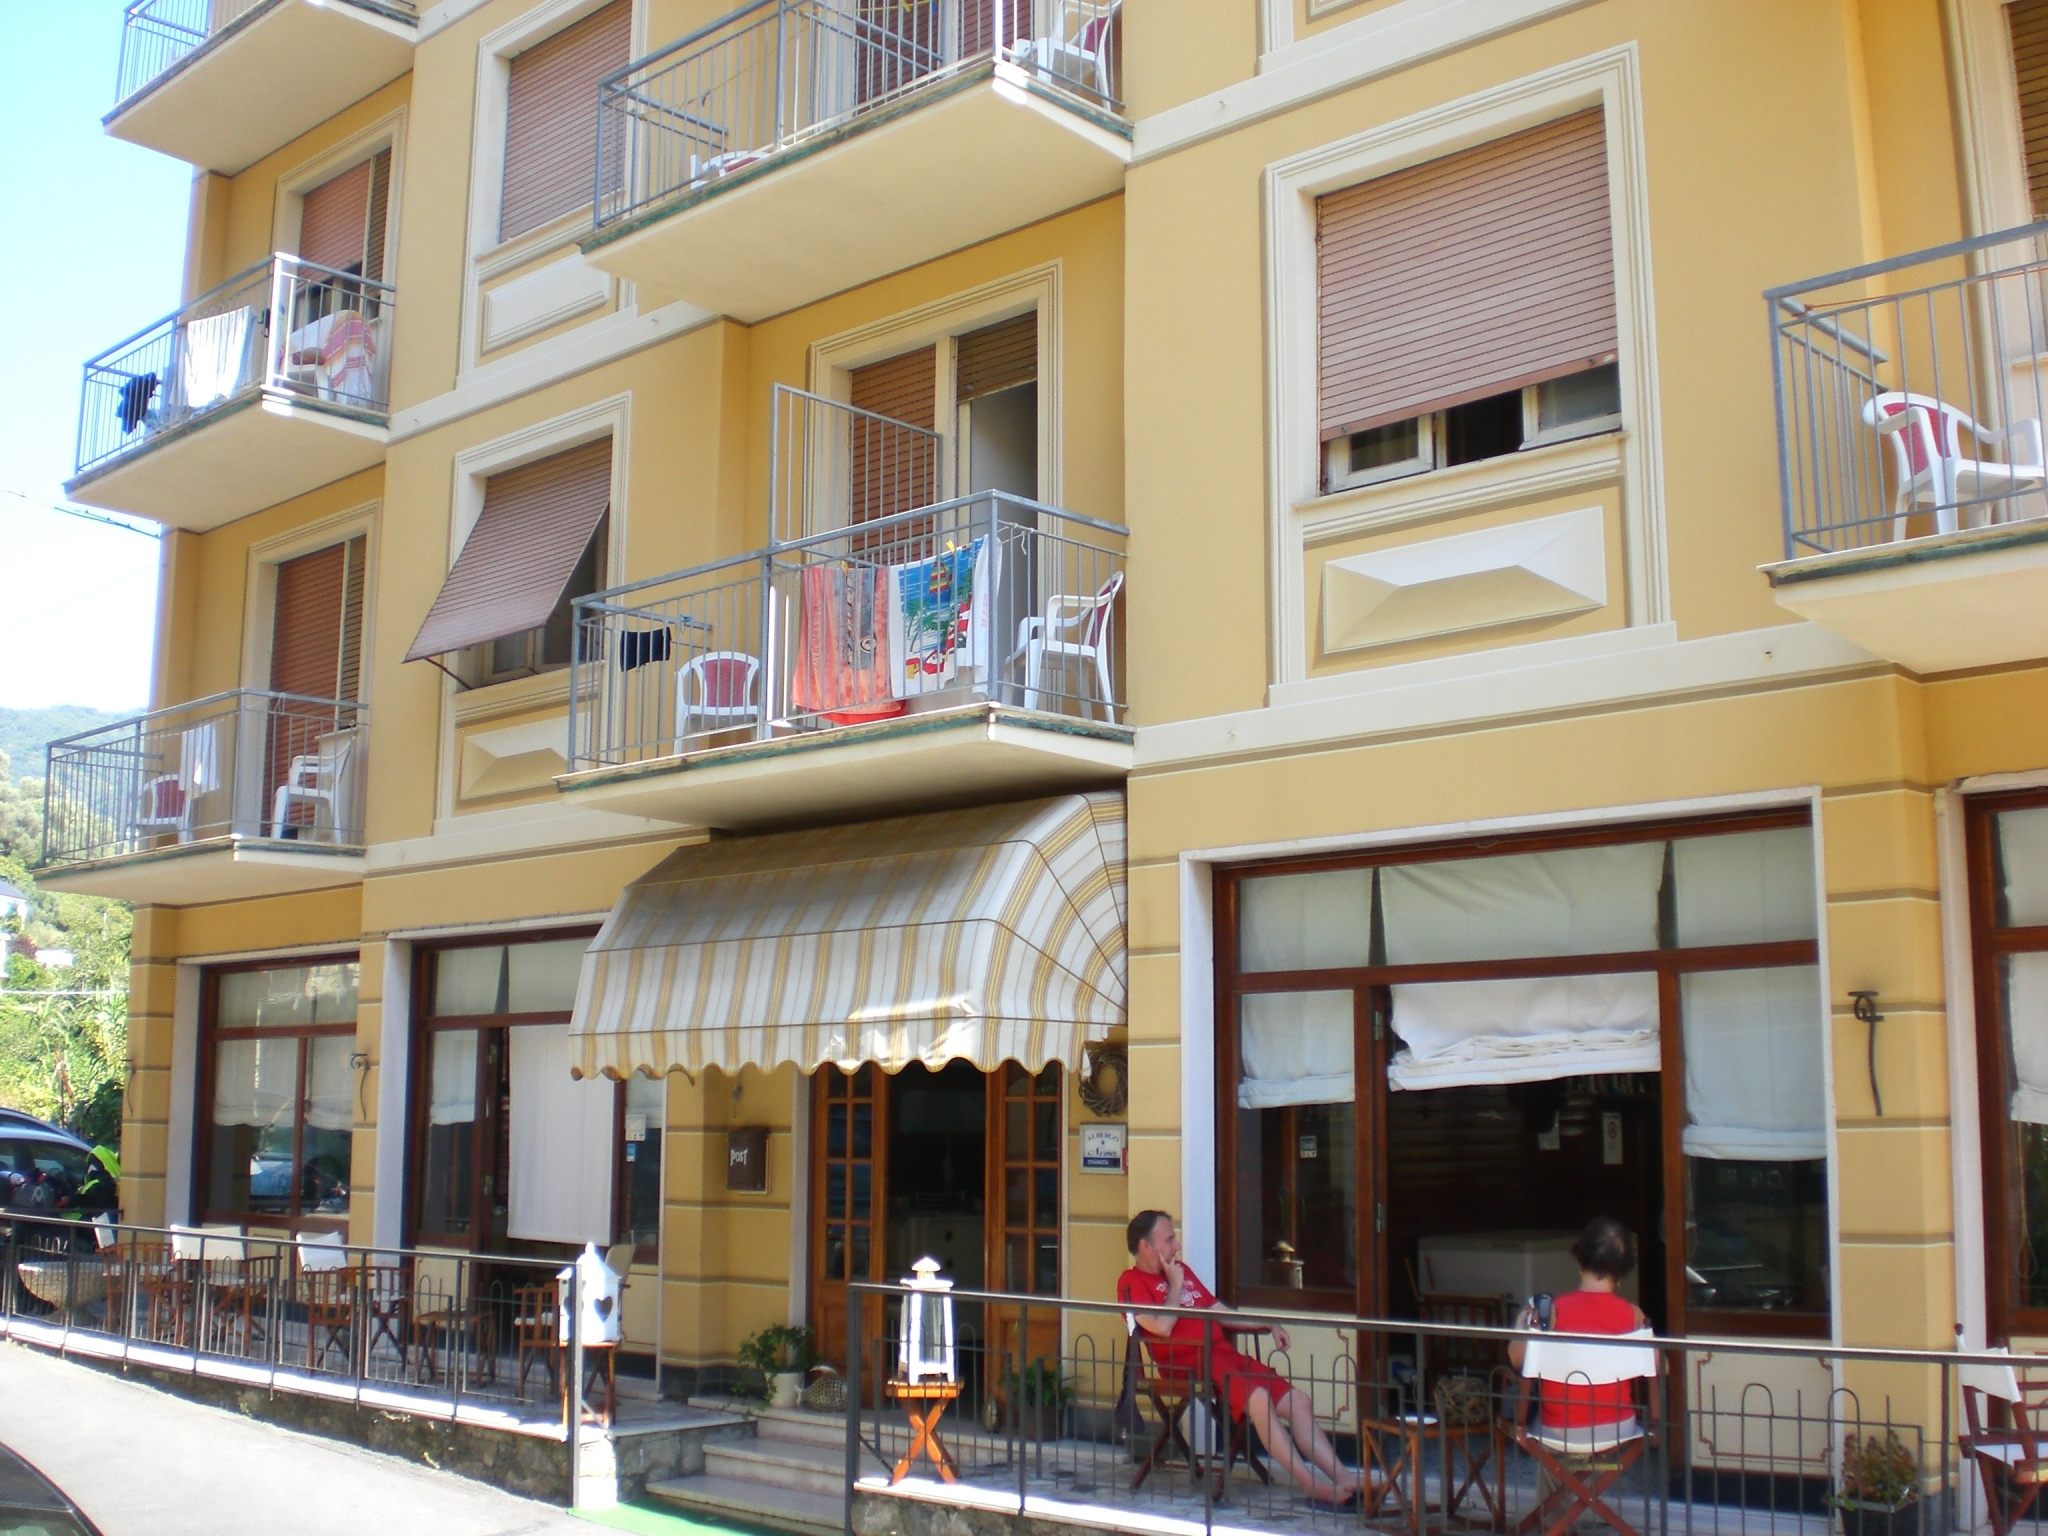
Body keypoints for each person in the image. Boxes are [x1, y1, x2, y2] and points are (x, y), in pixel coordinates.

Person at [1117, 1209, 1362, 1507]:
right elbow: (1162, 1327)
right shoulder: (1131, 1281)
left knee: (1298, 1402)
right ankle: (1310, 1484)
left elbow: (1218, 1311)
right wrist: (1176, 1286)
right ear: (1145, 1246)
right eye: (1169, 1240)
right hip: (1189, 1364)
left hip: (1223, 1356)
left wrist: (1265, 1323)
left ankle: (1345, 1478)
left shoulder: (1180, 1270)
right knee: (1259, 1400)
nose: (1176, 1245)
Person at [1508, 1218, 1659, 1474]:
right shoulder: (1634, 1317)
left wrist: (1521, 1326)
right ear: (1623, 1270)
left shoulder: (1551, 1312)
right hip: (1619, 1429)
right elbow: (1659, 1366)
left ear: (1581, 1260)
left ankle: (1557, 1500)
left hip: (1558, 1431)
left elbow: (1517, 1360)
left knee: (1546, 1442)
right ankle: (1571, 1498)